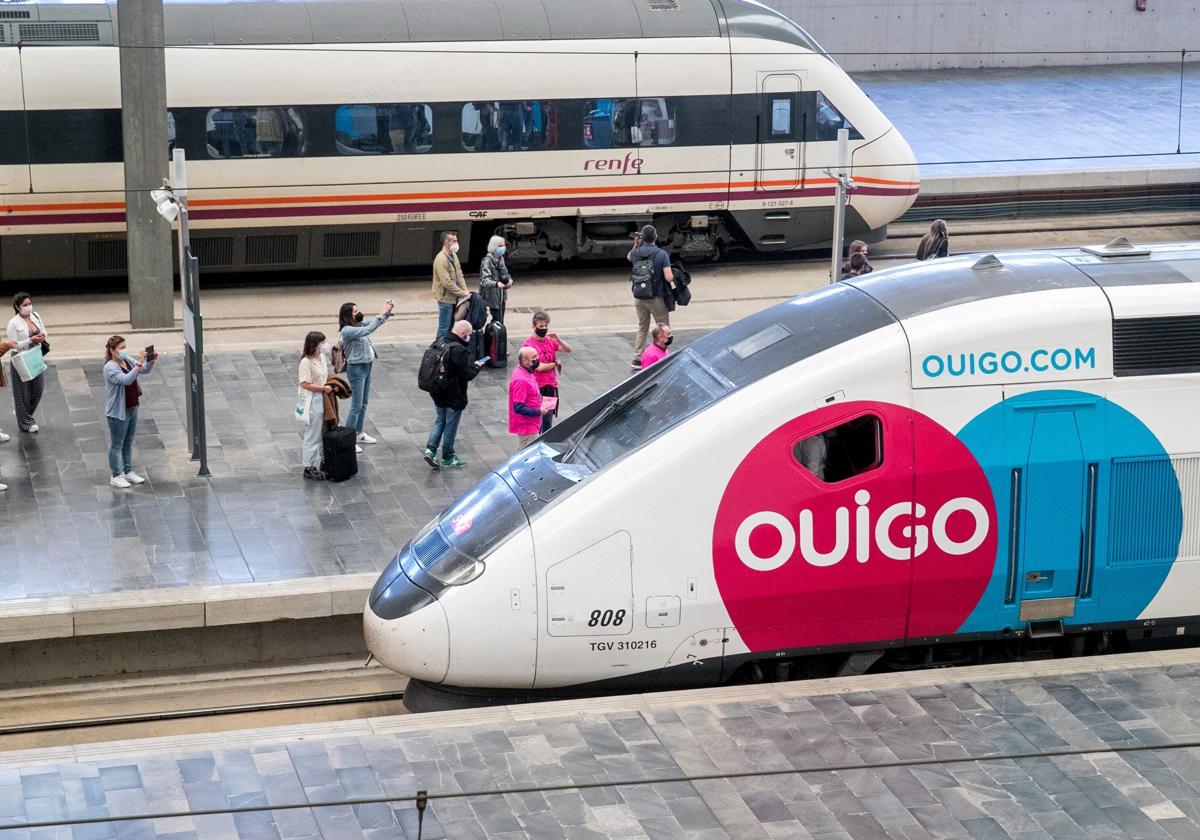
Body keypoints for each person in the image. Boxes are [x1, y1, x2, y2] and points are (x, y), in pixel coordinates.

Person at [423, 321, 483, 470]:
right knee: (450, 425)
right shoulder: (459, 350)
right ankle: (448, 456)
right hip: (454, 394)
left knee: (440, 420)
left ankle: (430, 449)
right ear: (463, 334)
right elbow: (466, 375)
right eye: (469, 335)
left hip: (437, 390)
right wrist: (476, 366)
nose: (469, 338)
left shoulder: (439, 341)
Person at [338, 299, 395, 451]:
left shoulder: (358, 325)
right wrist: (381, 314)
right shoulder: (348, 331)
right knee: (356, 406)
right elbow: (368, 330)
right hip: (356, 369)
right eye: (355, 312)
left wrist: (386, 311)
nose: (359, 313)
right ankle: (349, 440)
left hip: (367, 366)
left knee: (363, 403)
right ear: (347, 316)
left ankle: (359, 433)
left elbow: (374, 323)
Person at [103, 335, 156, 489]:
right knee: (116, 445)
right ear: (112, 351)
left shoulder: (127, 360)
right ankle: (115, 475)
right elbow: (126, 379)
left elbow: (143, 370)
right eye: (121, 348)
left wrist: (150, 360)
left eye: (125, 347)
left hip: (132, 407)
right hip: (118, 412)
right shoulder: (110, 367)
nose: (124, 351)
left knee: (128, 442)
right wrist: (139, 362)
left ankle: (128, 471)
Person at [628, 225, 675, 369]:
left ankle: (637, 359)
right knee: (663, 327)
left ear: (642, 237)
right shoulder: (661, 254)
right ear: (656, 237)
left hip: (639, 297)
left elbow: (629, 257)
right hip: (656, 298)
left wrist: (636, 244)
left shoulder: (636, 252)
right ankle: (664, 355)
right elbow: (668, 277)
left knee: (642, 327)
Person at [522, 311, 571, 433]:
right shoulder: (529, 345)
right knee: (536, 419)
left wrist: (558, 339)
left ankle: (544, 441)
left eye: (546, 326)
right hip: (537, 388)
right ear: (534, 326)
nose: (544, 329)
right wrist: (554, 364)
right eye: (541, 326)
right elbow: (538, 367)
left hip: (550, 387)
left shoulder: (549, 340)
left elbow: (568, 349)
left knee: (548, 418)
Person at [6, 292, 48, 434]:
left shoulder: (35, 316)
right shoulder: (13, 323)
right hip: (21, 358)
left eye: (29, 304)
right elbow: (13, 345)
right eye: (25, 305)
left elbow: (44, 331)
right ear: (18, 307)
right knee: (22, 392)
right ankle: (24, 423)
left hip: (35, 356)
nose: (28, 307)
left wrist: (41, 337)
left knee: (38, 389)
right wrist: (31, 340)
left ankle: (23, 413)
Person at [298, 331, 333, 481]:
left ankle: (323, 459)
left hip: (324, 398)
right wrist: (322, 389)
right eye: (323, 342)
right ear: (315, 344)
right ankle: (308, 465)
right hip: (313, 400)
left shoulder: (322, 358)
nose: (325, 345)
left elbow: (325, 376)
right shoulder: (306, 362)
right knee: (313, 433)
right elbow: (305, 383)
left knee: (323, 430)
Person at [509, 347, 549, 450]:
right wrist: (539, 411)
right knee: (528, 453)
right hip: (527, 426)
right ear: (525, 360)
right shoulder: (521, 380)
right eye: (534, 357)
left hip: (532, 424)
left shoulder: (527, 371)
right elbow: (518, 407)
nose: (537, 359)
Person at [432, 232, 469, 339]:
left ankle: (446, 349)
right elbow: (446, 282)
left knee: (450, 328)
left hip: (454, 298)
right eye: (454, 241)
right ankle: (438, 350)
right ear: (446, 242)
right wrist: (462, 293)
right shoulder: (441, 259)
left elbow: (459, 274)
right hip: (445, 299)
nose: (456, 243)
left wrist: (464, 289)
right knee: (444, 328)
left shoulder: (453, 256)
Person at [479, 235, 513, 326]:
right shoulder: (487, 261)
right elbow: (484, 280)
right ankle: (496, 337)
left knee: (501, 319)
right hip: (493, 296)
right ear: (494, 246)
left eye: (503, 245)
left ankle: (499, 335)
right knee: (497, 319)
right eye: (500, 246)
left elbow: (505, 273)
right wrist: (496, 284)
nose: (503, 248)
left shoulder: (501, 258)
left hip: (501, 295)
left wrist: (509, 280)